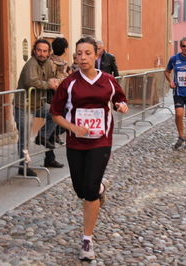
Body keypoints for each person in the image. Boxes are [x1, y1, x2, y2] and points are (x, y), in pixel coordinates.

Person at [50, 36, 128, 261]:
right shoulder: (69, 83)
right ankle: (101, 188)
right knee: (81, 190)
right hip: (76, 142)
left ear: (96, 55)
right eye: (79, 54)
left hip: (100, 141)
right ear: (75, 57)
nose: (82, 57)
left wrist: (122, 106)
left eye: (87, 53)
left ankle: (87, 240)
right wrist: (73, 126)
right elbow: (55, 114)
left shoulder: (109, 81)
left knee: (89, 191)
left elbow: (120, 102)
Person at [13, 39, 64, 178]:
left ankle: (42, 136)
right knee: (24, 138)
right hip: (24, 106)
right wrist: (49, 84)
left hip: (39, 104)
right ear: (34, 51)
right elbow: (31, 82)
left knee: (56, 112)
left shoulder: (48, 64)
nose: (41, 53)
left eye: (45, 51)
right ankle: (23, 166)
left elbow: (51, 78)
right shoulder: (31, 64)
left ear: (49, 53)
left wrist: (54, 81)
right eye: (39, 50)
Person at [48, 37, 69, 146]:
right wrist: (65, 80)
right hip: (53, 95)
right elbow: (52, 79)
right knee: (61, 116)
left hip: (62, 93)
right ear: (64, 49)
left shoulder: (63, 62)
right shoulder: (51, 62)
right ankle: (50, 134)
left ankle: (53, 134)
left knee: (66, 116)